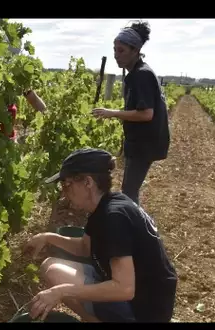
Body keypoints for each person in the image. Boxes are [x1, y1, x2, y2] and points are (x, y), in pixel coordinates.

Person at [23, 148, 177, 322]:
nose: (63, 192)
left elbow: (124, 289)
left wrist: (61, 291)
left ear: (88, 183)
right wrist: (47, 237)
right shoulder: (107, 205)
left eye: (67, 184)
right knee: (50, 267)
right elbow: (84, 248)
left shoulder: (114, 218)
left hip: (143, 311)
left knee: (59, 281)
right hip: (132, 291)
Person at [91, 20, 170, 206]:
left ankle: (137, 229)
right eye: (114, 50)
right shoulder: (135, 73)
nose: (116, 55)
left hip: (145, 144)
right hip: (141, 142)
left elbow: (146, 114)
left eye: (121, 51)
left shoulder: (141, 75)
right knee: (129, 189)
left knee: (129, 191)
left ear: (135, 51)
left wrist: (112, 113)